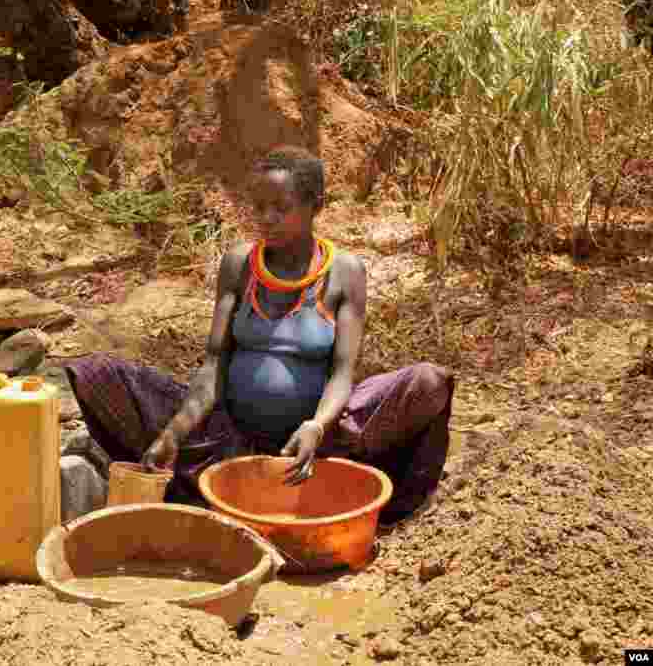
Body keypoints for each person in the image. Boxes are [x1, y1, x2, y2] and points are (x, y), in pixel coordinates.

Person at [64, 145, 454, 525]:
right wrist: (175, 431)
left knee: (428, 382)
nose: (265, 219)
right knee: (97, 374)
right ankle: (195, 475)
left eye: (280, 209)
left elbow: (342, 373)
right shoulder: (239, 265)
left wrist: (317, 425)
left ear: (315, 207)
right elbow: (214, 365)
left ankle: (378, 499)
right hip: (229, 437)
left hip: (321, 439)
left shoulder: (344, 272)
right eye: (259, 207)